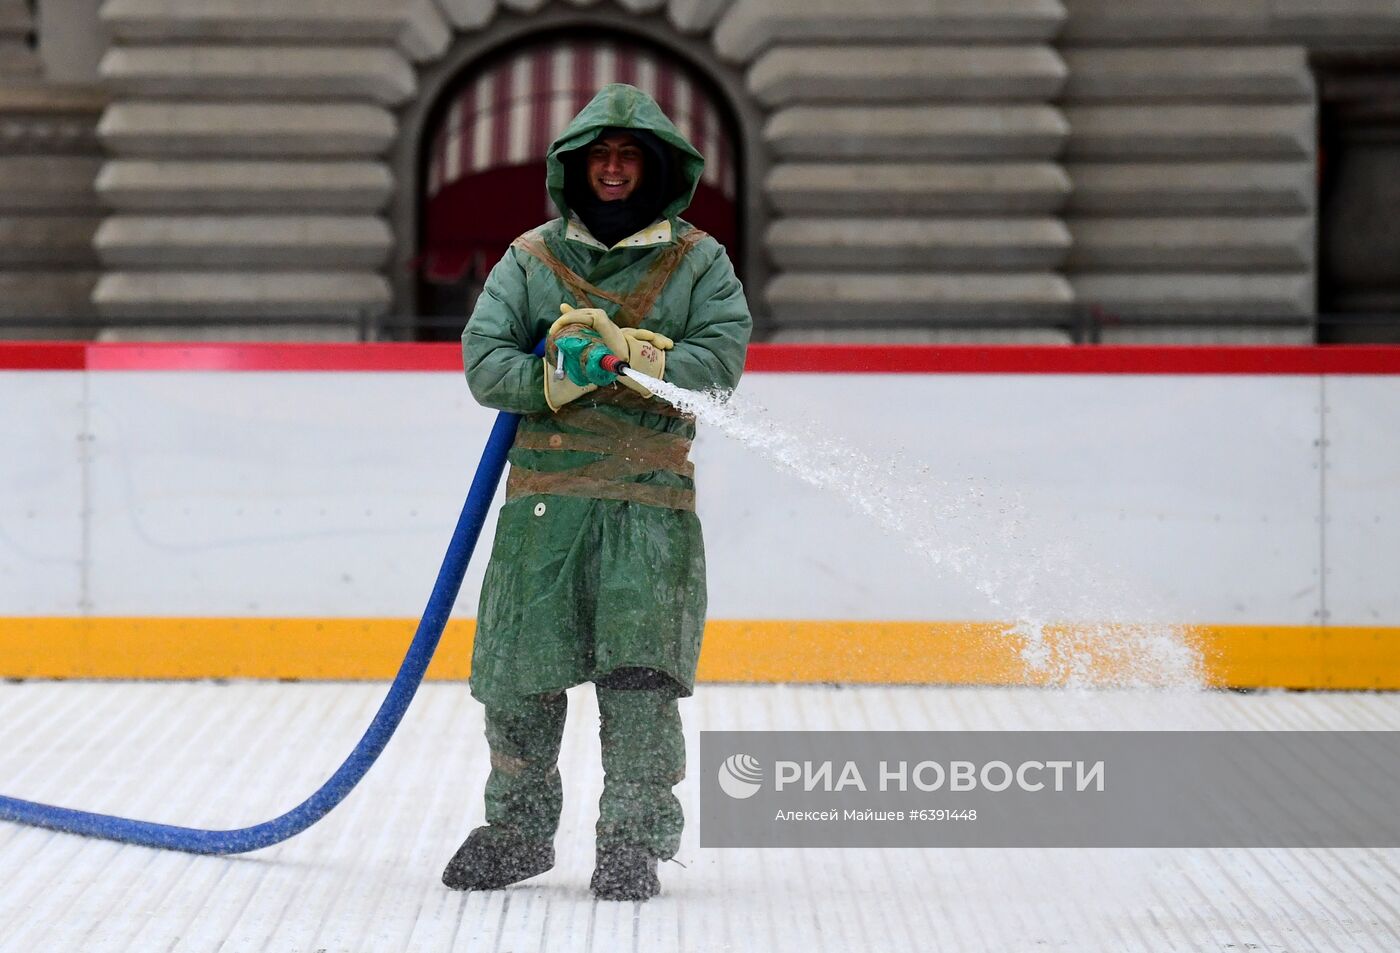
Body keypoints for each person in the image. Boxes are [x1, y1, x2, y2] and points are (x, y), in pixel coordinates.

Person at [443, 83, 752, 901]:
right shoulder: (531, 258)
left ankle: (632, 844)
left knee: (641, 683)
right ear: (573, 168)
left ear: (657, 169)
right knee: (517, 683)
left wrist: (643, 356)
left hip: (649, 511)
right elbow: (483, 363)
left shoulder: (699, 262)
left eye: (629, 156)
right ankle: (516, 832)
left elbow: (718, 366)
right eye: (599, 156)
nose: (613, 168)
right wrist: (553, 375)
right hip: (542, 511)